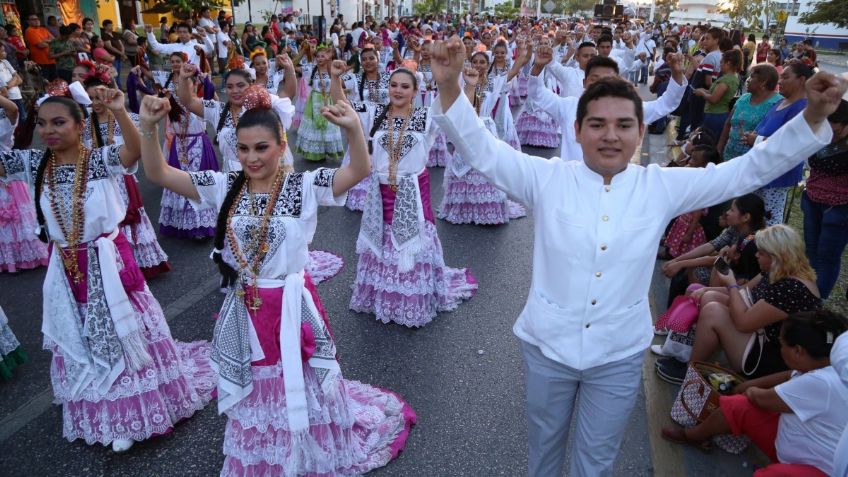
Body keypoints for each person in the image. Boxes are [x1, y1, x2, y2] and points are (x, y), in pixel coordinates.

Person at [427, 35, 844, 477]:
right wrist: (451, 86)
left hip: (618, 356)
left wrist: (812, 117)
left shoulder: (659, 186)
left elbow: (747, 170)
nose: (610, 135)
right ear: (577, 130)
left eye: (624, 125)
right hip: (547, 346)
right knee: (543, 455)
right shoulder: (546, 178)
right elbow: (483, 151)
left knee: (596, 463)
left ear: (640, 132)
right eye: (597, 124)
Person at [134, 87, 416, 475]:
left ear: (281, 144)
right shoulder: (224, 187)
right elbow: (158, 173)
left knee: (299, 379)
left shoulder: (303, 187)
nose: (251, 157)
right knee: (257, 384)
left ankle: (305, 453)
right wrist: (149, 128)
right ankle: (267, 455)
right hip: (245, 305)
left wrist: (354, 131)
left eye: (261, 147)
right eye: (244, 149)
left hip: (290, 303)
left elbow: (357, 172)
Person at [0, 86, 215, 453]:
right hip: (66, 265)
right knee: (81, 336)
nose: (49, 130)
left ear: (79, 124)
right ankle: (100, 408)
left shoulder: (97, 160)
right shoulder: (34, 164)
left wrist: (119, 111)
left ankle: (133, 411)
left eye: (59, 122)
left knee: (122, 334)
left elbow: (132, 152)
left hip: (108, 262)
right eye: (43, 123)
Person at [342, 64, 478, 327]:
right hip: (380, 190)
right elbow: (343, 106)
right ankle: (384, 294)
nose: (398, 90)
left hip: (413, 190)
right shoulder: (376, 113)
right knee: (382, 239)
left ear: (415, 91)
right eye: (394, 85)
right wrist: (336, 78)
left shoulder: (425, 117)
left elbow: (457, 115)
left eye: (405, 86)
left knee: (413, 242)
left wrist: (469, 87)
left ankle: (411, 298)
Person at [662, 309, 848, 477]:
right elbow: (787, 375)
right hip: (793, 442)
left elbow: (761, 399)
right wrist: (744, 387)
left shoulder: (821, 382)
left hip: (818, 469)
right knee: (737, 406)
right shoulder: (824, 366)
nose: (781, 349)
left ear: (798, 351)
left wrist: (748, 389)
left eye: (782, 345)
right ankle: (695, 435)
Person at [658, 224, 823, 383]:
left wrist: (730, 283)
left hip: (770, 357)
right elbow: (744, 292)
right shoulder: (780, 271)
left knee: (713, 311)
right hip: (761, 337)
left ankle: (691, 371)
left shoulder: (791, 288)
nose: (757, 255)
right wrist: (707, 291)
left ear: (777, 256)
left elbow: (743, 323)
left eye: (762, 253)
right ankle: (698, 360)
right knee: (708, 298)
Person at [747, 62, 814, 226]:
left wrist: (755, 140)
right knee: (752, 214)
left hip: (777, 174)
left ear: (802, 80)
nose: (779, 81)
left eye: (785, 77)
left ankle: (767, 250)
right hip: (760, 168)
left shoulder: (801, 108)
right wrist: (753, 137)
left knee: (769, 218)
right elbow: (763, 128)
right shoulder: (781, 103)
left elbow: (790, 142)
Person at [802, 100, 848, 300]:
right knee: (811, 252)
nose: (830, 135)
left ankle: (815, 303)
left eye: (836, 131)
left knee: (826, 258)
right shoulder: (819, 135)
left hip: (838, 209)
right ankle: (808, 295)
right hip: (811, 200)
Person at [718, 64, 783, 161]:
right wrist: (720, 147)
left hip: (753, 160)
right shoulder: (744, 98)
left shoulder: (777, 103)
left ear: (763, 82)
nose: (747, 80)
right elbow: (728, 123)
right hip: (729, 155)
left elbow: (777, 137)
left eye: (752, 77)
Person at [693, 50, 741, 140]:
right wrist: (705, 91)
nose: (720, 65)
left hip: (715, 115)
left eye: (721, 62)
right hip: (718, 114)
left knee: (707, 141)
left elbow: (713, 99)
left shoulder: (726, 80)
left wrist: (702, 93)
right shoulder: (733, 77)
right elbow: (718, 94)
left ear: (728, 63)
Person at [24, 14, 56, 81]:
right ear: (28, 22)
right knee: (46, 83)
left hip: (51, 59)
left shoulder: (43, 29)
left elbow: (55, 40)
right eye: (33, 19)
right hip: (41, 62)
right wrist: (48, 41)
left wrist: (45, 41)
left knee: (54, 81)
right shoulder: (29, 31)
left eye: (37, 19)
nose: (36, 20)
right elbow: (41, 45)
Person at [100, 20, 126, 89]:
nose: (111, 27)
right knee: (114, 74)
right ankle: (116, 88)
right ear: (105, 27)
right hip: (112, 57)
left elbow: (121, 44)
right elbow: (110, 47)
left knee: (119, 73)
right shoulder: (104, 35)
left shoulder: (114, 34)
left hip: (119, 56)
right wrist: (121, 53)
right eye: (109, 26)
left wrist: (122, 52)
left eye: (112, 25)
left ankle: (120, 88)